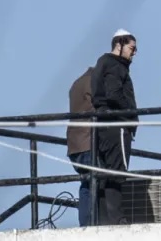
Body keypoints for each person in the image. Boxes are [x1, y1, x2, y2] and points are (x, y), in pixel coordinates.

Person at [90, 29, 139, 225]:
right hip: (116, 123)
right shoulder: (115, 64)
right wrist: (130, 114)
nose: (134, 53)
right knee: (117, 170)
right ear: (119, 45)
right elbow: (113, 93)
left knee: (107, 171)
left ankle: (103, 218)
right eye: (132, 48)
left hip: (105, 123)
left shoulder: (103, 63)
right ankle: (116, 218)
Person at [67, 65, 95, 226]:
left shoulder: (77, 83)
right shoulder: (94, 82)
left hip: (74, 143)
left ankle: (85, 224)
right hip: (88, 140)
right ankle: (92, 224)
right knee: (97, 182)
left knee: (86, 183)